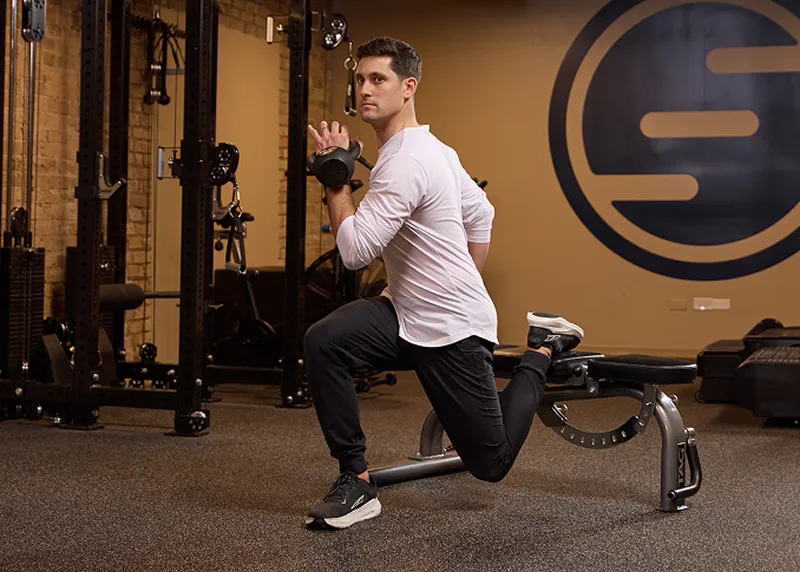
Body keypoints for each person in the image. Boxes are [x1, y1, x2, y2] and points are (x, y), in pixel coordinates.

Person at [303, 37, 584, 530]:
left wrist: (335, 184)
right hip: (404, 311)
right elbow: (483, 213)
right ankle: (357, 480)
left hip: (451, 327)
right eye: (360, 79)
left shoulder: (408, 161)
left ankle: (543, 347)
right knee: (325, 340)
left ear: (408, 87)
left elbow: (354, 253)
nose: (365, 89)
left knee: (491, 463)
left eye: (378, 79)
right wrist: (452, 279)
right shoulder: (434, 150)